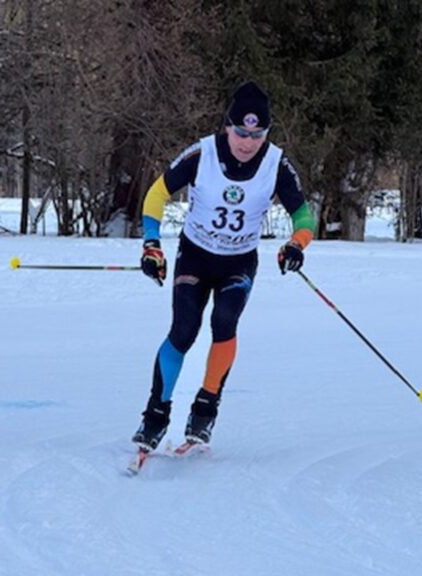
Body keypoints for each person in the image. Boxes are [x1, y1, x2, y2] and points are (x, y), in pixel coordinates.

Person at [132, 80, 316, 451]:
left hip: (239, 262)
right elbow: (156, 193)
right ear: (227, 127)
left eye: (257, 135)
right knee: (184, 330)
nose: (247, 143)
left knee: (224, 322)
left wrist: (297, 244)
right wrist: (152, 244)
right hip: (195, 255)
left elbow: (303, 215)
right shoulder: (202, 153)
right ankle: (155, 415)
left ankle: (205, 408)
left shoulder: (277, 163)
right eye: (240, 133)